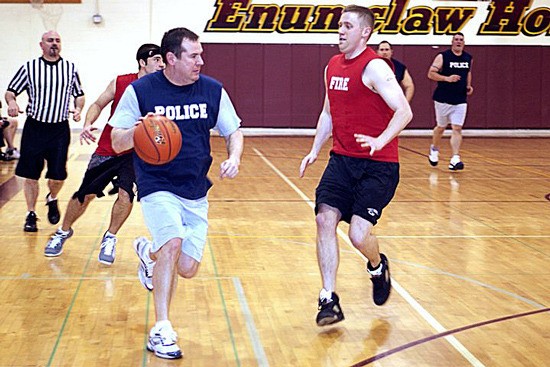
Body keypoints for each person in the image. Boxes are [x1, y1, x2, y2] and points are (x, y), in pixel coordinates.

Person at [110, 27, 243, 359]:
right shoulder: (141, 91)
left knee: (187, 267)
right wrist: (140, 129)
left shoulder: (212, 90)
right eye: (193, 55)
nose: (201, 61)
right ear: (171, 59)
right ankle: (162, 329)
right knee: (172, 242)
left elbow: (233, 129)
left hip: (195, 188)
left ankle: (147, 253)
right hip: (157, 184)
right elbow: (116, 141)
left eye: (201, 55)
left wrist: (235, 156)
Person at [299, 5, 412, 327]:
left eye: (348, 25)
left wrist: (381, 139)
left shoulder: (375, 67)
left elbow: (403, 111)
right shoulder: (332, 66)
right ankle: (328, 298)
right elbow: (327, 114)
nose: (341, 30)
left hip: (379, 166)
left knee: (359, 236)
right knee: (324, 219)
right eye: (339, 25)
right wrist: (314, 149)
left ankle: (377, 266)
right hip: (342, 161)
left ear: (365, 32)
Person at [43, 44, 165, 263]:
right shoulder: (120, 82)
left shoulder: (164, 88)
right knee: (85, 194)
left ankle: (110, 236)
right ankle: (63, 231)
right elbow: (98, 104)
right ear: (142, 62)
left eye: (162, 60)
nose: (161, 64)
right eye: (156, 59)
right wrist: (88, 123)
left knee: (126, 193)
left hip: (137, 152)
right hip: (109, 147)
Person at [5, 30, 85, 232]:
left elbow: (79, 94)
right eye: (50, 40)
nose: (54, 44)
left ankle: (52, 197)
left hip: (59, 129)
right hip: (35, 128)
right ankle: (30, 213)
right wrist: (12, 102)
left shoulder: (69, 68)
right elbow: (10, 91)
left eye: (58, 40)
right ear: (41, 45)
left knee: (58, 176)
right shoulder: (29, 68)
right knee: (31, 175)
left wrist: (79, 109)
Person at [427, 32, 473, 170]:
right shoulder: (443, 56)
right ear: (452, 42)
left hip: (460, 99)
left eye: (461, 40)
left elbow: (468, 72)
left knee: (457, 128)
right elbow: (430, 74)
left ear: (464, 42)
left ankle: (455, 158)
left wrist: (468, 86)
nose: (458, 42)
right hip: (443, 98)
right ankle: (434, 149)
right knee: (441, 127)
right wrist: (447, 78)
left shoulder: (468, 58)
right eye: (456, 39)